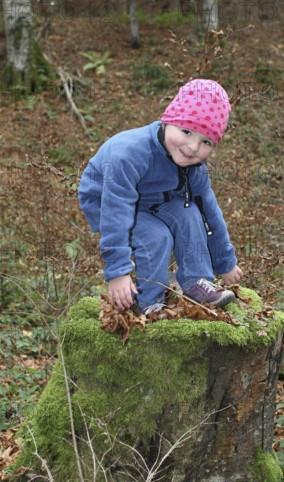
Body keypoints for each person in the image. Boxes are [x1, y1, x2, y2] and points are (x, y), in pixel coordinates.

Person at [78, 79, 243, 314]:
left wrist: (225, 261)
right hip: (108, 200)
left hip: (156, 198)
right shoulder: (129, 155)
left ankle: (197, 282)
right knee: (156, 236)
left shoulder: (194, 167)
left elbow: (210, 211)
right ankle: (150, 302)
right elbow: (116, 212)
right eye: (186, 131)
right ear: (168, 121)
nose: (193, 148)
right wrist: (118, 272)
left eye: (205, 141)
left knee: (190, 213)